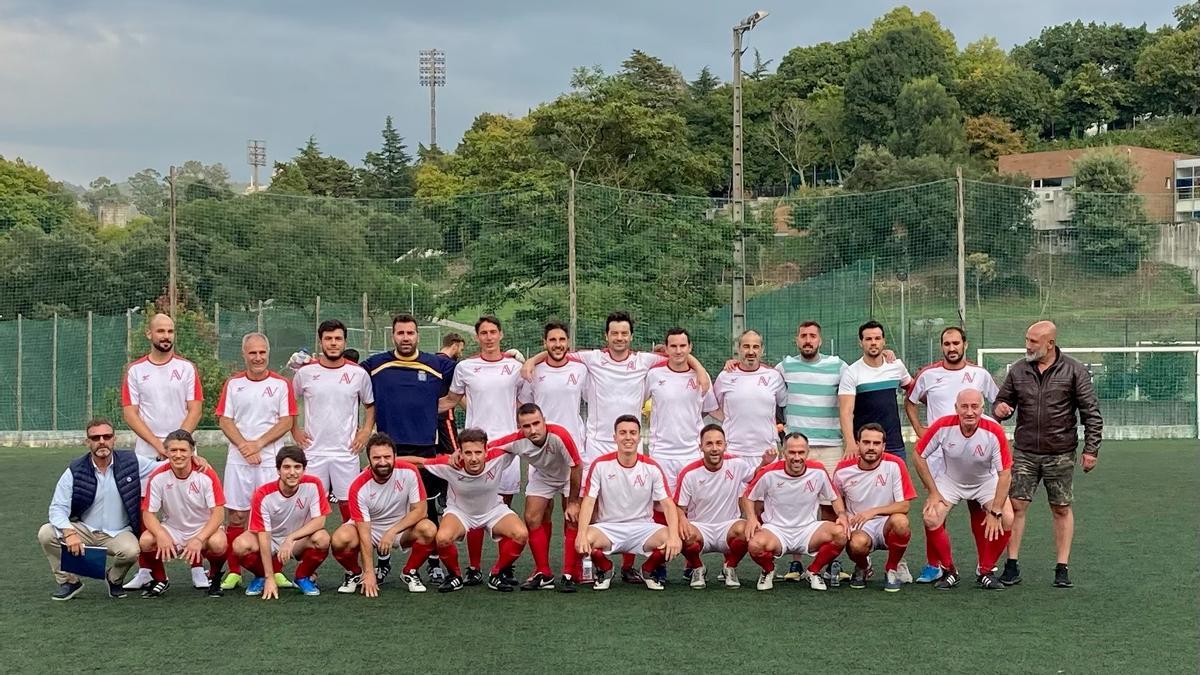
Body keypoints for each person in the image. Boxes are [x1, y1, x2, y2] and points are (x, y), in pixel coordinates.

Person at [522, 310, 702, 583]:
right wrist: (531, 360)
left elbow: (678, 355)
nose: (619, 338)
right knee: (590, 506)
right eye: (614, 333)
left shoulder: (645, 361)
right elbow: (558, 352)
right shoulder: (592, 359)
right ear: (606, 336)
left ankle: (629, 566)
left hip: (631, 442)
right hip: (596, 445)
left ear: (631, 336)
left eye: (624, 333)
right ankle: (588, 565)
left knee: (634, 504)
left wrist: (699, 368)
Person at [992, 320, 1102, 588]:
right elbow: (1000, 402)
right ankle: (1011, 565)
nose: (1027, 345)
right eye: (1027, 339)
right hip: (1025, 452)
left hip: (1061, 453)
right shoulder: (1018, 370)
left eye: (1033, 341)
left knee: (1061, 508)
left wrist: (1091, 449)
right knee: (1016, 506)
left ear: (1050, 344)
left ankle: (1062, 568)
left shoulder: (1075, 371)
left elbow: (1091, 413)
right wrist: (1001, 409)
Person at [361, 314, 457, 584]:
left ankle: (434, 563)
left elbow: (469, 372)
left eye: (410, 333)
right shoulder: (376, 364)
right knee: (383, 506)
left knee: (427, 508)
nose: (406, 338)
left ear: (418, 335)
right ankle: (382, 562)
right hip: (386, 447)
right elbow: (346, 371)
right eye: (400, 333)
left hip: (426, 446)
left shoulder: (436, 364)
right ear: (393, 335)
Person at [38, 418, 175, 601]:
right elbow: (57, 508)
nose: (101, 441)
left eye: (106, 436)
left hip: (118, 532)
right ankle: (69, 581)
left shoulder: (131, 461)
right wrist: (69, 533)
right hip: (85, 530)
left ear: (114, 439)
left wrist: (191, 459)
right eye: (95, 438)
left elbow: (161, 467)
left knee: (131, 550)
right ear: (88, 442)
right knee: (46, 533)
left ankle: (114, 579)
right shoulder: (75, 470)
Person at [904, 326, 999, 584]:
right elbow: (910, 400)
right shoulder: (928, 374)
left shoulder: (979, 374)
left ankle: (984, 565)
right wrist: (919, 430)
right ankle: (935, 565)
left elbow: (998, 402)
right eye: (947, 344)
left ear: (965, 345)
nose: (951, 348)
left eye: (956, 343)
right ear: (942, 346)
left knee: (979, 508)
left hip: (975, 453)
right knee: (934, 508)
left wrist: (1002, 415)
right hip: (939, 455)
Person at [121, 312, 205, 590]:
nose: (166, 336)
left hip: (183, 451)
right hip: (147, 454)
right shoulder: (135, 370)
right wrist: (160, 447)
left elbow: (195, 408)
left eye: (170, 331)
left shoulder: (186, 368)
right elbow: (130, 413)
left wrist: (177, 446)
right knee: (147, 511)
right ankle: (148, 570)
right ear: (149, 334)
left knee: (192, 507)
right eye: (160, 331)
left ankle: (197, 568)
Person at [438, 315, 524, 579]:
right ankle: (474, 567)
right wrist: (414, 411)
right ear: (477, 337)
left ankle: (503, 569)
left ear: (501, 335)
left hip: (507, 450)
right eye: (483, 333)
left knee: (503, 506)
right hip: (474, 448)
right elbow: (451, 400)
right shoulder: (465, 367)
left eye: (493, 332)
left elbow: (523, 402)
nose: (488, 337)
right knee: (474, 505)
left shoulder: (514, 367)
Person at [399, 429, 529, 593]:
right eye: (468, 453)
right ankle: (455, 576)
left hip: (493, 510)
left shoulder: (499, 457)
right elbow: (419, 462)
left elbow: (519, 440)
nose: (474, 458)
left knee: (521, 534)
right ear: (459, 452)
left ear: (486, 451)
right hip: (460, 513)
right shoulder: (449, 464)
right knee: (443, 538)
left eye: (478, 452)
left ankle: (497, 573)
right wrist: (388, 461)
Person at [214, 332, 296, 591]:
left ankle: (276, 571)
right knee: (237, 516)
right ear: (244, 354)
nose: (258, 357)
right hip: (239, 460)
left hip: (270, 459)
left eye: (262, 352)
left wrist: (257, 444)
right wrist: (244, 446)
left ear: (268, 353)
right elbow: (225, 420)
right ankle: (235, 571)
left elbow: (287, 421)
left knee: (271, 514)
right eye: (253, 353)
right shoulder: (233, 384)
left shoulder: (282, 384)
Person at [913, 390, 1014, 591]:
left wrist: (995, 510)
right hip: (951, 480)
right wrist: (933, 492)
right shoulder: (943, 425)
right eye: (964, 406)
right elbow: (918, 455)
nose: (969, 412)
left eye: (975, 406)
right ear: (956, 408)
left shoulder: (993, 430)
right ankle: (950, 571)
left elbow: (1005, 474)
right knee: (931, 517)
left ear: (982, 409)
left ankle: (985, 570)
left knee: (1008, 518)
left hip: (985, 481)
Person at [575, 415, 682, 591]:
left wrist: (674, 535)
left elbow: (668, 504)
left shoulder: (651, 467)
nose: (628, 437)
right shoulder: (600, 465)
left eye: (633, 433)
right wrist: (580, 533)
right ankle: (606, 569)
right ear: (614, 437)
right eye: (622, 433)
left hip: (643, 528)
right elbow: (588, 501)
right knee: (584, 542)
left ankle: (647, 570)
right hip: (608, 528)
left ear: (639, 437)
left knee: (673, 541)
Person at [486, 403, 583, 592]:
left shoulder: (560, 435)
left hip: (569, 476)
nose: (532, 429)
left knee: (572, 518)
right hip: (543, 476)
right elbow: (487, 447)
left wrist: (572, 502)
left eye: (536, 423)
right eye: (526, 426)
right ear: (520, 427)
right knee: (532, 517)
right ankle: (543, 573)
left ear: (544, 421)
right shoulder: (516, 440)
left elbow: (576, 467)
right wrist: (458, 454)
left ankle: (570, 573)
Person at [331, 433, 437, 596]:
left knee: (429, 528)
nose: (382, 462)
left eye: (387, 456)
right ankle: (355, 573)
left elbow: (421, 511)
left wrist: (392, 531)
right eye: (376, 457)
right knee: (340, 539)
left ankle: (410, 572)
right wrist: (369, 572)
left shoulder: (410, 471)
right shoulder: (358, 486)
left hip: (399, 529)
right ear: (369, 459)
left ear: (395, 456)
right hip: (369, 529)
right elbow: (365, 533)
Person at [292, 319, 376, 524]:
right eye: (328, 338)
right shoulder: (305, 373)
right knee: (309, 509)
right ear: (321, 342)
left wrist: (365, 431)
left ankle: (353, 553)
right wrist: (295, 430)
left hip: (346, 451)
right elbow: (289, 402)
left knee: (350, 509)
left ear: (345, 342)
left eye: (338, 338)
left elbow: (370, 405)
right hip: (313, 451)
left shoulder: (358, 373)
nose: (333, 343)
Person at [742, 433, 849, 591]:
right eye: (792, 452)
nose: (797, 457)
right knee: (755, 545)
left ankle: (813, 571)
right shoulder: (769, 472)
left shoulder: (818, 470)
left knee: (841, 533)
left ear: (808, 452)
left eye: (801, 452)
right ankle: (768, 570)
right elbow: (747, 496)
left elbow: (835, 496)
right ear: (784, 453)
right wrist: (751, 518)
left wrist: (841, 515)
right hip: (776, 530)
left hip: (808, 529)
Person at [674, 424, 774, 589]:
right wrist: (682, 519)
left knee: (747, 529)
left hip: (728, 525)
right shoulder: (689, 473)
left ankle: (730, 567)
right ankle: (698, 568)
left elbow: (753, 476)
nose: (714, 448)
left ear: (725, 445)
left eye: (719, 443)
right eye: (709, 444)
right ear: (701, 447)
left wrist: (764, 462)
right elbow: (679, 506)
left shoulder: (737, 464)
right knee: (682, 532)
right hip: (700, 527)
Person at [233, 445, 331, 599]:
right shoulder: (263, 494)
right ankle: (261, 576)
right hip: (269, 539)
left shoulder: (313, 484)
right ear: (278, 470)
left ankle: (302, 577)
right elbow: (264, 536)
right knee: (240, 545)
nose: (292, 472)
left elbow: (320, 521)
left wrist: (290, 538)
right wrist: (269, 577)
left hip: (297, 540)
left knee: (323, 538)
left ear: (304, 469)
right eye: (286, 467)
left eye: (297, 467)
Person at [138, 429, 227, 598]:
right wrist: (161, 534)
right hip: (174, 528)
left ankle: (214, 578)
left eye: (183, 450)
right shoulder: (158, 476)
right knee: (146, 540)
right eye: (173, 450)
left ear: (192, 452)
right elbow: (148, 513)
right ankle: (161, 579)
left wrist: (199, 539)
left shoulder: (206, 473)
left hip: (202, 528)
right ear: (166, 452)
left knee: (219, 542)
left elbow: (218, 514)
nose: (178, 455)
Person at [833, 423, 916, 592]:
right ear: (858, 444)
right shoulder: (843, 470)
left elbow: (904, 505)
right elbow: (835, 499)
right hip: (859, 526)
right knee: (856, 544)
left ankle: (891, 569)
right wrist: (842, 515)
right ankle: (863, 567)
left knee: (901, 522)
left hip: (886, 522)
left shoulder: (895, 464)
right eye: (866, 442)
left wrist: (873, 511)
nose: (871, 447)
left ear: (883, 446)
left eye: (876, 443)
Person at [838, 320, 913, 461]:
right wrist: (851, 443)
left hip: (894, 445)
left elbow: (914, 389)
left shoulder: (896, 366)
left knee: (896, 483)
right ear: (861, 342)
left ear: (884, 341)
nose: (873, 342)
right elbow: (845, 412)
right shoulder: (852, 372)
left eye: (877, 338)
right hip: (865, 447)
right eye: (868, 339)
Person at [710, 330, 787, 465]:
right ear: (738, 349)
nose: (751, 351)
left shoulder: (773, 376)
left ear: (762, 350)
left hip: (767, 452)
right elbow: (712, 406)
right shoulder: (726, 376)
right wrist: (732, 418)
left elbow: (782, 403)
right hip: (733, 450)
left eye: (755, 347)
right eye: (746, 346)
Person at [518, 322, 588, 459]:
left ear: (568, 342)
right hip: (541, 447)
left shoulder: (581, 369)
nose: (557, 344)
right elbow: (523, 406)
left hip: (574, 444)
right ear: (545, 343)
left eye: (562, 339)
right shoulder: (534, 370)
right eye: (552, 340)